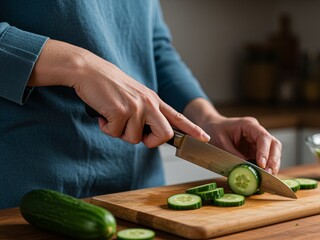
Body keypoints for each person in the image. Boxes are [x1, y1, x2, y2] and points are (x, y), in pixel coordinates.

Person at [0, 0, 282, 209]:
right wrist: (79, 66)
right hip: (26, 198)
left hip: (138, 194)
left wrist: (206, 119)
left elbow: (153, 46)